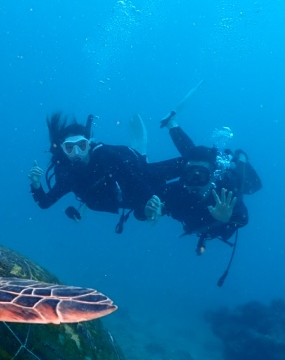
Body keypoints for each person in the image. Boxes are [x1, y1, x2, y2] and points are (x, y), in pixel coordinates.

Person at [29, 112, 164, 233]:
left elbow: (132, 178)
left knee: (154, 181)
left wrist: (150, 197)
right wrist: (36, 185)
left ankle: (142, 154)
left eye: (82, 146)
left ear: (89, 145)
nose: (77, 153)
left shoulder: (105, 156)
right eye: (69, 148)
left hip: (132, 175)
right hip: (114, 200)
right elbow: (44, 203)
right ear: (63, 150)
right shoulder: (68, 176)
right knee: (142, 211)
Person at [155, 110, 262, 256]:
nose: (195, 182)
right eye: (190, 176)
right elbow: (148, 205)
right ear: (184, 176)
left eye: (202, 176)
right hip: (209, 174)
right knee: (195, 158)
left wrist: (225, 219)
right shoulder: (179, 190)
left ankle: (241, 159)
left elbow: (243, 218)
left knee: (248, 184)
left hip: (229, 177)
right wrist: (155, 208)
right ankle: (173, 125)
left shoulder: (226, 193)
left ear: (211, 177)